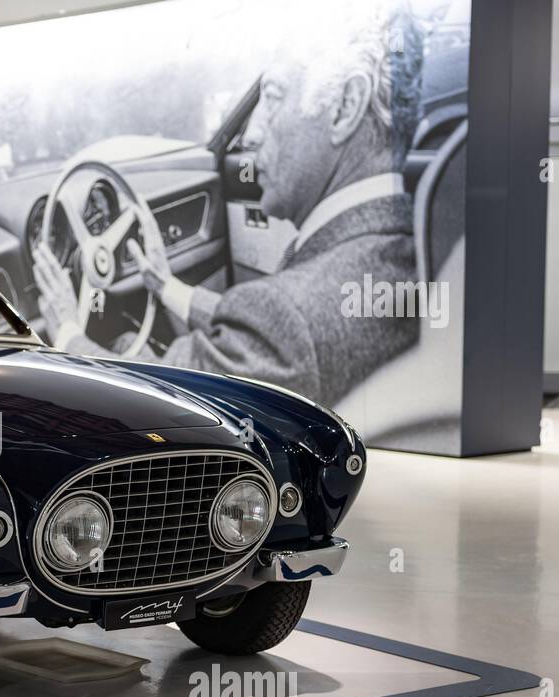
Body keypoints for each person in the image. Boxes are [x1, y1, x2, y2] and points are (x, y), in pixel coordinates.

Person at [35, 2, 425, 406]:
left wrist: (66, 331)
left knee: (126, 340)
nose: (252, 133)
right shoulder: (410, 249)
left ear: (345, 107)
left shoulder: (290, 318)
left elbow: (152, 407)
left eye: (272, 97)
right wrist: (166, 287)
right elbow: (264, 327)